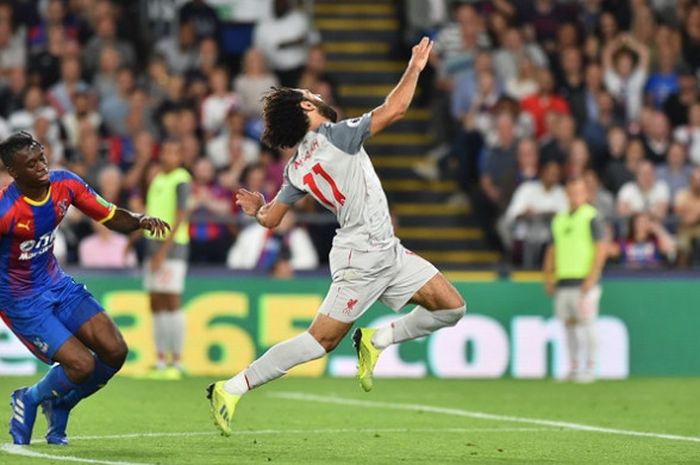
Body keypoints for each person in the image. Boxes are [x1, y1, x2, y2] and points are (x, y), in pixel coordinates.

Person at [207, 38, 466, 435]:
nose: (316, 93)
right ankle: (231, 387)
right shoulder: (337, 135)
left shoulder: (295, 168)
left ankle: (376, 341)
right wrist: (415, 67)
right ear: (307, 107)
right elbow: (395, 109)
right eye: (311, 93)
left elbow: (271, 219)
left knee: (451, 308)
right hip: (360, 255)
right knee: (318, 342)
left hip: (385, 250)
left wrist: (258, 206)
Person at [0, 132, 169, 445]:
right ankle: (30, 397)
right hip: (21, 300)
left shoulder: (65, 184)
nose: (41, 167)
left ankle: (60, 402)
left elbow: (108, 215)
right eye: (31, 164)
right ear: (14, 172)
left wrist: (140, 219)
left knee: (115, 350)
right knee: (81, 364)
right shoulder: (5, 211)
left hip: (57, 284)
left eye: (41, 158)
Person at [543, 177, 608, 383]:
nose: (575, 196)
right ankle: (573, 367)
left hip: (583, 282)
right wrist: (548, 277)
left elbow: (601, 248)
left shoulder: (591, 217)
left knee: (588, 324)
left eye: (579, 192)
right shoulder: (559, 220)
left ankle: (590, 368)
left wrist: (592, 277)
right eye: (572, 192)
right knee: (569, 326)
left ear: (586, 193)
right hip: (564, 281)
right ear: (566, 194)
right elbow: (552, 251)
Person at [143, 139, 192, 379]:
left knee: (172, 299)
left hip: (172, 249)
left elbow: (181, 215)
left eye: (173, 151)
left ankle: (177, 361)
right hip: (152, 246)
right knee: (156, 301)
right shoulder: (158, 179)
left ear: (180, 157)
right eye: (165, 151)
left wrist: (163, 251)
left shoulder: (181, 179)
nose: (167, 156)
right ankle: (161, 360)